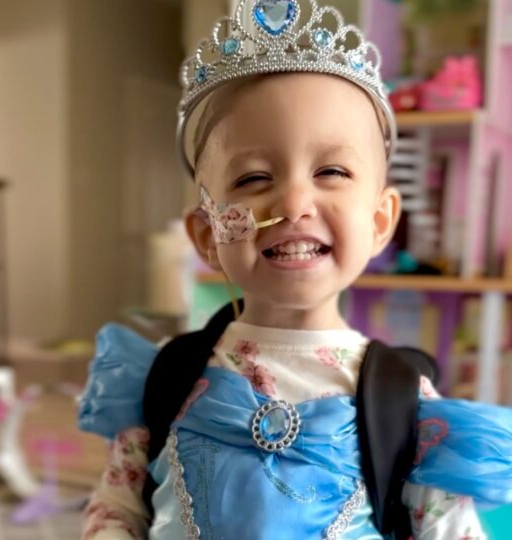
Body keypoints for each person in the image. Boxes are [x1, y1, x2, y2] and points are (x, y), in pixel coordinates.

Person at [78, 1, 512, 539]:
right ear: (208, 234)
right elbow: (117, 506)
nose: (294, 203)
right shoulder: (165, 375)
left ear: (380, 221)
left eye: (331, 171)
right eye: (254, 179)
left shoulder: (404, 400)